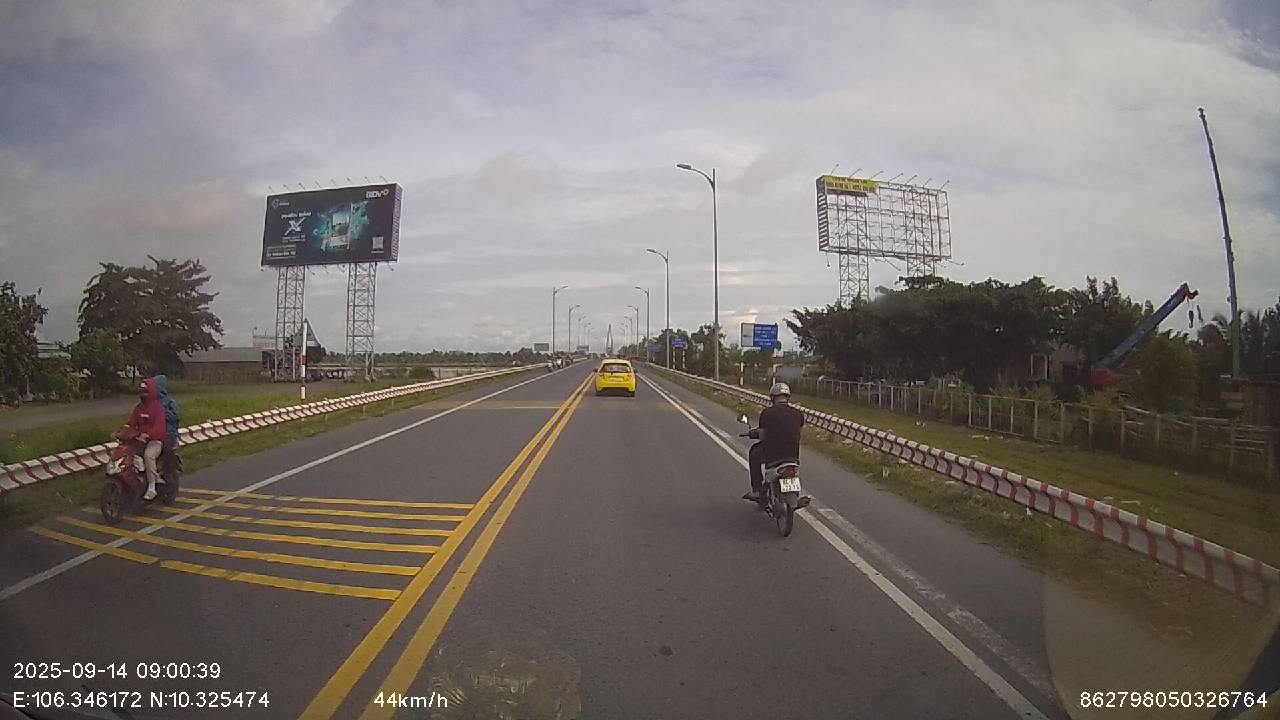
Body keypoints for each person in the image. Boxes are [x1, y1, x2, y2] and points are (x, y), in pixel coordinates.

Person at [743, 382, 805, 503]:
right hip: (793, 455)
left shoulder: (767, 413)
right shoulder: (798, 414)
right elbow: (797, 432)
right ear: (788, 397)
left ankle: (757, 490)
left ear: (772, 397)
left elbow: (763, 436)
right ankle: (795, 495)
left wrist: (755, 433)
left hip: (773, 454)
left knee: (754, 454)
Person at [124, 378, 167, 500]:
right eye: (141, 392)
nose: (143, 395)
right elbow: (131, 423)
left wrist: (148, 434)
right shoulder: (138, 408)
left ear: (151, 392)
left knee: (148, 455)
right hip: (139, 440)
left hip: (155, 441)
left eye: (146, 392)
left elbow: (160, 428)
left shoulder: (158, 409)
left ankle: (152, 487)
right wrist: (122, 431)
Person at [153, 374, 180, 467]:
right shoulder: (151, 402)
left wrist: (163, 413)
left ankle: (169, 470)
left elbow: (175, 417)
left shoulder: (170, 402)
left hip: (169, 433)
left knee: (167, 448)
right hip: (154, 433)